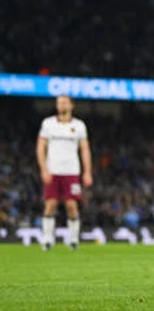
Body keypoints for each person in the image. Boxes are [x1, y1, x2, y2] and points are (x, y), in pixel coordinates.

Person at [36, 95, 93, 250]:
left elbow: (85, 150)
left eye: (64, 102)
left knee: (71, 205)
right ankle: (47, 239)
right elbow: (41, 147)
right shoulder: (48, 124)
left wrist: (87, 172)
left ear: (71, 105)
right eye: (59, 103)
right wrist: (44, 169)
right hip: (53, 170)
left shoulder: (79, 125)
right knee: (50, 204)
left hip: (71, 171)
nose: (61, 105)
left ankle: (73, 240)